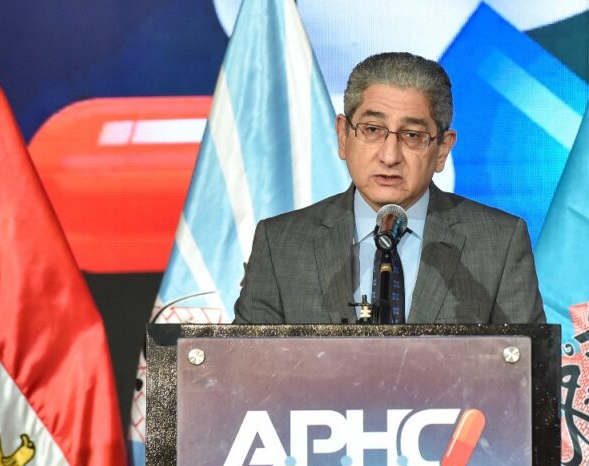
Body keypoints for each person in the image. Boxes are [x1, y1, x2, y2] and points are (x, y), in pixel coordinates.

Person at [233, 51, 544, 325]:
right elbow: (245, 365)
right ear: (343, 136)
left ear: (442, 150)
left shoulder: (498, 243)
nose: (390, 156)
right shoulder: (281, 244)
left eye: (412, 135)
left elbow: (526, 365)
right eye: (372, 129)